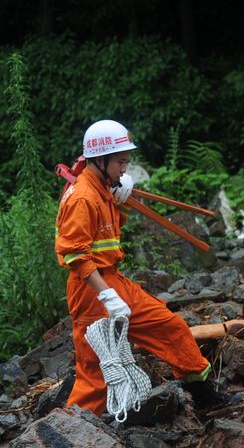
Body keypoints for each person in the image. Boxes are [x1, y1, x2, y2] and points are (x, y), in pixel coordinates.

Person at [55, 119, 217, 414]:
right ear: (100, 159)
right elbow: (75, 256)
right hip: (91, 291)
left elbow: (108, 234)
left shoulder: (103, 188)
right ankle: (66, 436)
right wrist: (105, 295)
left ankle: (207, 400)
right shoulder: (82, 197)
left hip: (113, 281)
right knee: (96, 372)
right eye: (120, 162)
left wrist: (122, 202)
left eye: (126, 162)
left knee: (171, 327)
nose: (124, 168)